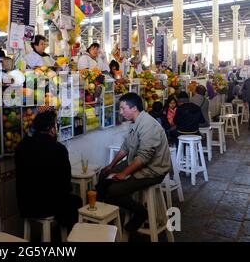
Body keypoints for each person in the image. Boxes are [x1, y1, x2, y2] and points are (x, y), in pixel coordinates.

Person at [95, 93, 171, 232]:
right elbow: (125, 148)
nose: (121, 112)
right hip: (136, 162)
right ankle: (101, 216)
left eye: (123, 108)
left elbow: (144, 157)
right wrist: (111, 166)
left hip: (153, 170)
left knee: (113, 190)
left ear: (134, 108)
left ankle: (141, 212)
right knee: (103, 175)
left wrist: (124, 174)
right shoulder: (135, 122)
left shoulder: (148, 125)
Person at [15, 110, 82, 233]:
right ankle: (67, 238)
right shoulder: (58, 149)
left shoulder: (21, 146)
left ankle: (56, 233)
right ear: (52, 129)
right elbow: (66, 184)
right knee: (76, 201)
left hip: (25, 205)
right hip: (47, 207)